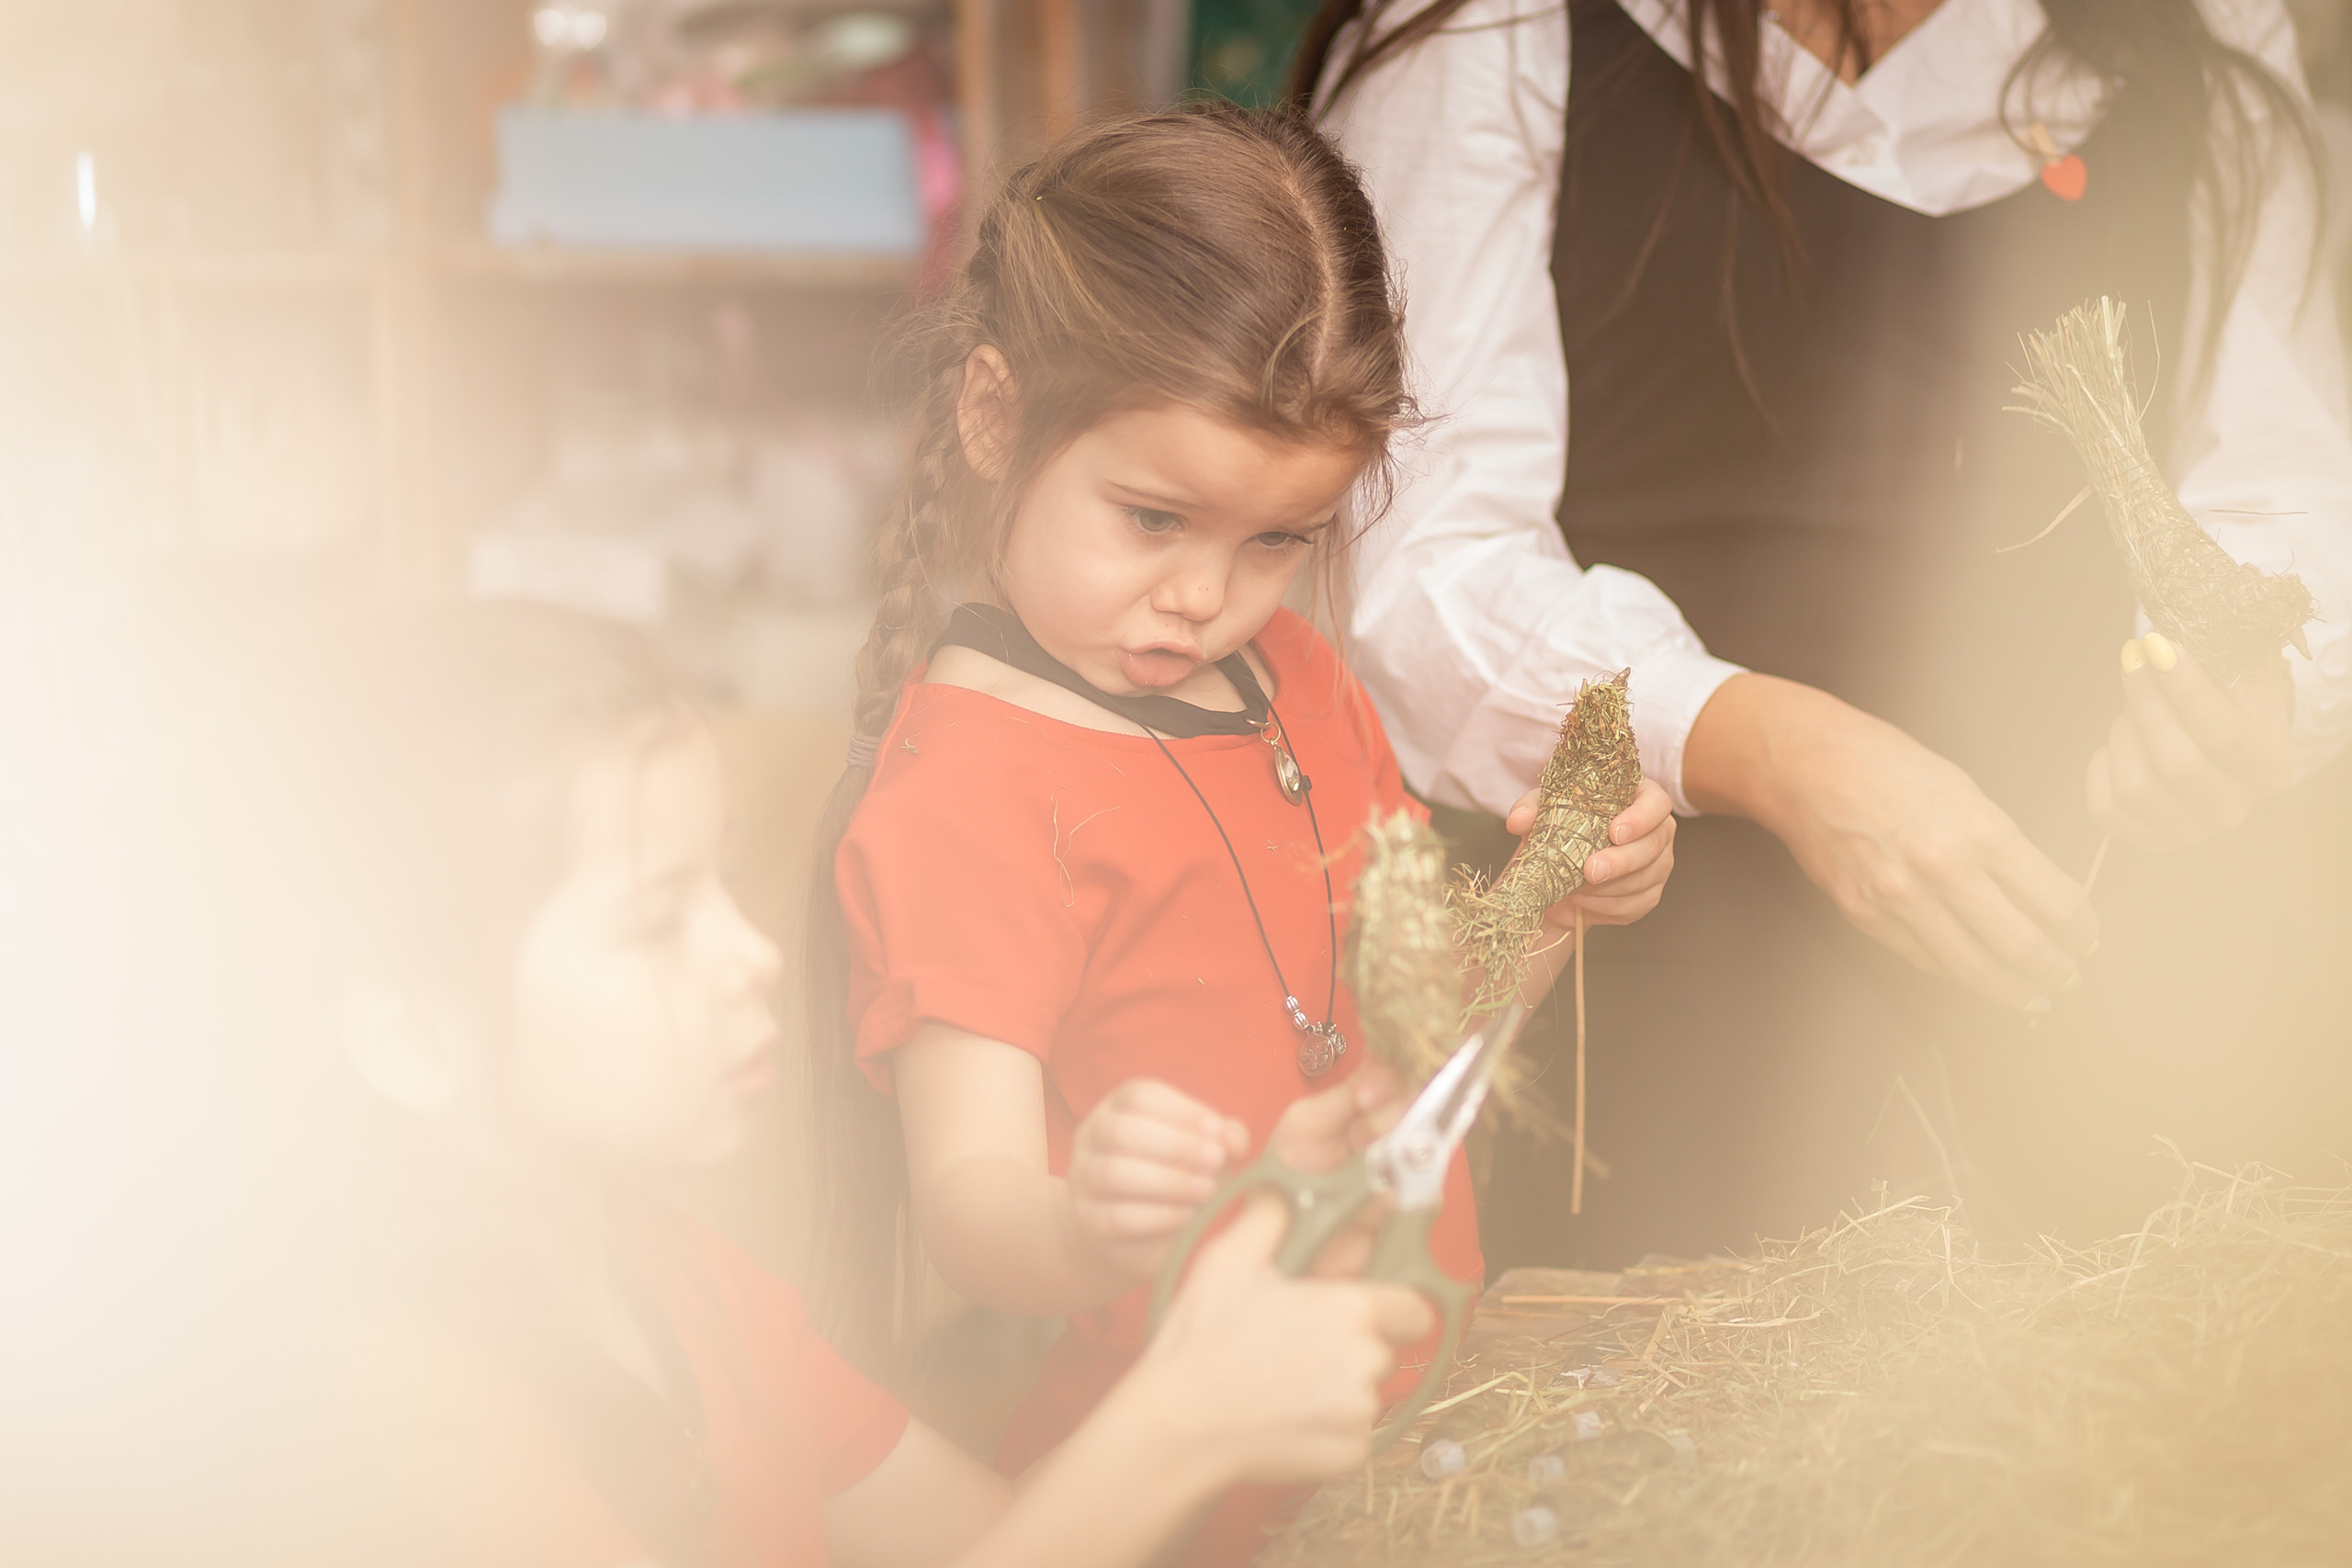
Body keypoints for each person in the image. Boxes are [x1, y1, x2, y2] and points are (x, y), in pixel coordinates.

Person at [1292, 0, 2352, 1262]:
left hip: (2101, 980)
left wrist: (2253, 693)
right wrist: (1779, 753)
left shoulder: (2202, 30)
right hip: (1667, 1013)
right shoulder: (1498, 33)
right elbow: (1414, 563)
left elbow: (2286, 475)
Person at [117, 597, 1452, 1568]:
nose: (750, 954)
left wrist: (1242, 1241)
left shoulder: (692, 1290)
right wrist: (1183, 1420)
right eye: (655, 920)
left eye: (720, 880)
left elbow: (1008, 1540)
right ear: (408, 1034)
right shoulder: (414, 1442)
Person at [808, 101, 1680, 1565]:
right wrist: (1082, 1225)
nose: (1206, 599)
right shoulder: (968, 787)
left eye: (1277, 540)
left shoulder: (1302, 683)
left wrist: (1556, 902)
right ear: (994, 415)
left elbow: (1422, 1057)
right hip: (1179, 1505)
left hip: (1411, 1452)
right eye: (1154, 520)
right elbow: (967, 1203)